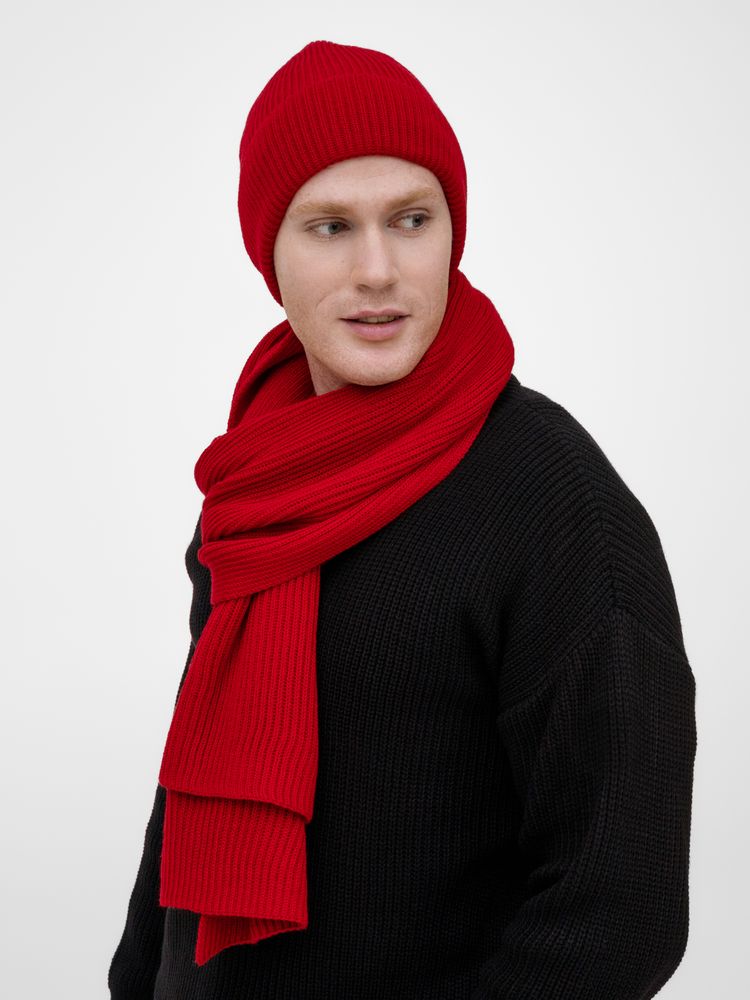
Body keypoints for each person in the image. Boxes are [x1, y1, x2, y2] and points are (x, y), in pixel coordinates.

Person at [108, 39, 697, 1000]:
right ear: (270, 254)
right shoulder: (258, 482)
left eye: (411, 220)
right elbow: (193, 795)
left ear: (452, 233)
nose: (377, 269)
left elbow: (617, 915)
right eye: (330, 226)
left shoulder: (558, 507)